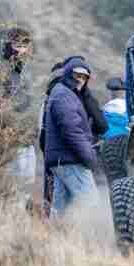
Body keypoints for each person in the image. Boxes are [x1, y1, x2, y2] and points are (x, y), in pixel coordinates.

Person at [43, 58, 100, 214]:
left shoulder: (61, 92)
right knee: (91, 203)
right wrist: (90, 159)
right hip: (71, 159)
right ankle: (89, 238)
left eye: (84, 77)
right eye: (77, 75)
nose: (80, 80)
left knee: (61, 209)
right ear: (68, 74)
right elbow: (72, 132)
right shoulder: (64, 96)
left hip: (61, 160)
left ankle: (58, 238)